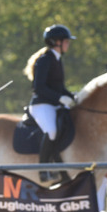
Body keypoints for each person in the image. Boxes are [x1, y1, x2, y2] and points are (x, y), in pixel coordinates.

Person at [26, 24, 76, 182]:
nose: (68, 44)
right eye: (66, 41)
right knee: (52, 131)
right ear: (56, 42)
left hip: (54, 103)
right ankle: (43, 169)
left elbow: (60, 87)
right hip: (41, 104)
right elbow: (38, 87)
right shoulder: (45, 60)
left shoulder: (57, 59)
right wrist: (59, 98)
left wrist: (75, 96)